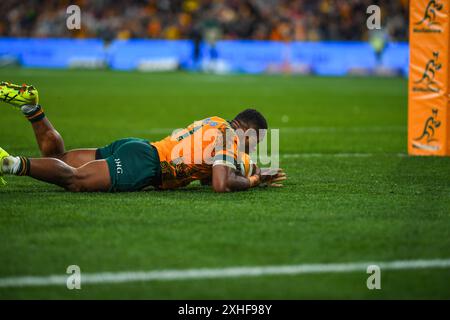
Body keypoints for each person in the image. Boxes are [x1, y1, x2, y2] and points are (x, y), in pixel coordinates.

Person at [0, 82, 286, 193]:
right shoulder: (228, 139)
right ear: (247, 133)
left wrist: (257, 170)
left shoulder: (215, 122)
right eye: (254, 142)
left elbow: (208, 174)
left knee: (58, 160)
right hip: (145, 165)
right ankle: (9, 164)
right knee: (74, 179)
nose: (250, 148)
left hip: (138, 148)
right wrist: (252, 179)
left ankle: (32, 107)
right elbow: (221, 184)